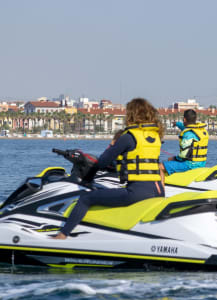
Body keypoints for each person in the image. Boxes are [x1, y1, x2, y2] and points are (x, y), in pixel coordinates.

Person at [52, 98, 165, 239]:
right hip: (158, 190)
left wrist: (113, 144)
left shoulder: (128, 137)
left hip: (137, 192)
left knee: (86, 198)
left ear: (132, 115)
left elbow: (103, 161)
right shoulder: (155, 136)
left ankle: (62, 235)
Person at [160, 109, 209, 176]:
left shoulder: (188, 134)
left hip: (190, 165)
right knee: (171, 161)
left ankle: (160, 185)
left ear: (184, 119)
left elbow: (183, 155)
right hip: (201, 164)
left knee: (160, 166)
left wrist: (174, 158)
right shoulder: (200, 130)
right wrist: (177, 124)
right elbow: (184, 127)